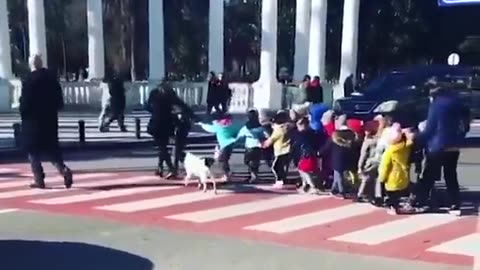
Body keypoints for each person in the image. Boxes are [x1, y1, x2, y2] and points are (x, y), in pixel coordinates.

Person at [413, 79, 470, 211]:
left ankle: (419, 200)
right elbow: (465, 120)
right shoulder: (457, 102)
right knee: (450, 175)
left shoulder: (437, 105)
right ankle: (455, 203)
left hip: (438, 145)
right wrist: (461, 134)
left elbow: (430, 128)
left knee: (429, 174)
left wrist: (418, 138)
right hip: (454, 145)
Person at [19, 54, 73, 189]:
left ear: (32, 65)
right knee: (52, 150)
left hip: (33, 121)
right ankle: (63, 169)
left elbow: (25, 103)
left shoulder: (29, 80)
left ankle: (39, 179)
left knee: (33, 151)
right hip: (49, 119)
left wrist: (23, 113)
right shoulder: (51, 78)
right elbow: (59, 101)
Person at [146, 80, 193, 178]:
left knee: (162, 147)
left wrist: (155, 111)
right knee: (162, 147)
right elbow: (182, 105)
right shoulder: (167, 94)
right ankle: (161, 168)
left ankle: (170, 168)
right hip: (164, 123)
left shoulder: (158, 94)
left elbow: (147, 106)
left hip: (161, 123)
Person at [378, 124, 414, 215]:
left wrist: (382, 178)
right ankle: (397, 206)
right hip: (402, 175)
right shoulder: (405, 147)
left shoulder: (390, 151)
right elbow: (410, 141)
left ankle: (393, 208)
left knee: (391, 195)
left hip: (391, 177)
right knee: (398, 194)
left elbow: (385, 166)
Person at [319, 121, 357, 199]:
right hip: (347, 160)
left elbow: (326, 149)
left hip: (336, 160)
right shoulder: (351, 139)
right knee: (337, 175)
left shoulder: (333, 139)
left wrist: (320, 153)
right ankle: (334, 190)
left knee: (338, 176)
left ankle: (341, 191)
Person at [199, 114, 242, 181]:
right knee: (224, 159)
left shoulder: (218, 125)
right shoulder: (232, 125)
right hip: (231, 143)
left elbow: (209, 128)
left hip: (224, 145)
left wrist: (201, 124)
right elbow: (239, 129)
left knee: (222, 160)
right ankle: (228, 173)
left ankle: (227, 174)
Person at [262, 111, 292, 189]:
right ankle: (282, 180)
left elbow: (271, 140)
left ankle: (279, 181)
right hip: (288, 150)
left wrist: (264, 144)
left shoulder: (278, 130)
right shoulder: (287, 128)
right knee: (281, 166)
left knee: (275, 167)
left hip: (281, 151)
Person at [236, 109, 267, 183]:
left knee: (248, 161)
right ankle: (253, 175)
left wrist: (236, 142)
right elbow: (266, 135)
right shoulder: (260, 127)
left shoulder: (246, 127)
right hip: (258, 146)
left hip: (250, 147)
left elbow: (239, 136)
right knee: (255, 161)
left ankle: (253, 176)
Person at [295, 117, 322, 194]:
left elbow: (301, 145)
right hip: (310, 154)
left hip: (306, 154)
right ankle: (305, 186)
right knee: (304, 170)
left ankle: (312, 186)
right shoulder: (313, 133)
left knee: (304, 170)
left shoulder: (303, 134)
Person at [356, 121, 379, 202]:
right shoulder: (379, 140)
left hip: (368, 163)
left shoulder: (367, 142)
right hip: (377, 162)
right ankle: (372, 195)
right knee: (374, 179)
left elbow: (363, 155)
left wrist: (360, 166)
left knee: (365, 179)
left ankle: (361, 194)